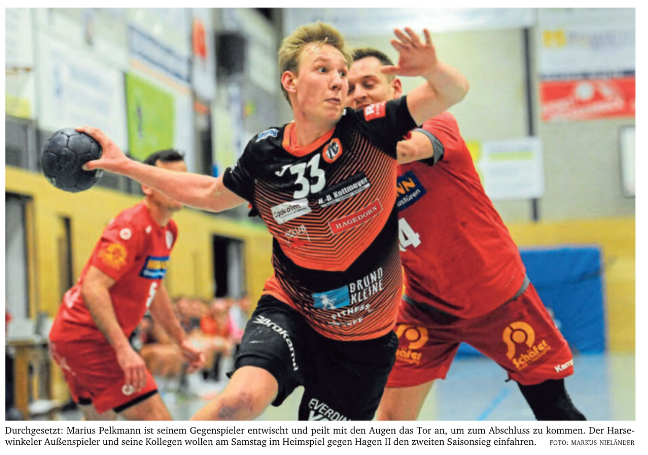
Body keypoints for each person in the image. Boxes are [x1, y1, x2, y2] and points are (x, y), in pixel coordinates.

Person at [78, 22, 469, 421]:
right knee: (237, 402)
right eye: (323, 69)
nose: (338, 81)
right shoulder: (265, 152)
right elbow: (212, 194)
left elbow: (451, 91)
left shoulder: (371, 129)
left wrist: (432, 68)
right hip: (292, 309)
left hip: (363, 339)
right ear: (290, 81)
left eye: (341, 72)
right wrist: (126, 165)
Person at [346, 47, 586, 421]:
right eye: (348, 88)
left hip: (499, 297)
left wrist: (339, 147)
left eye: (368, 83)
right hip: (426, 307)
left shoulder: (435, 122)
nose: (358, 93)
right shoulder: (350, 173)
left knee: (554, 412)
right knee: (391, 421)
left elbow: (406, 150)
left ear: (395, 88)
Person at [48, 150, 205, 421]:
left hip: (79, 339)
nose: (178, 185)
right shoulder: (131, 226)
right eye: (168, 178)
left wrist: (180, 340)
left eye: (183, 178)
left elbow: (155, 287)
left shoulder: (169, 231)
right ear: (147, 185)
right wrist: (123, 349)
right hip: (87, 339)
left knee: (101, 426)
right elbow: (93, 287)